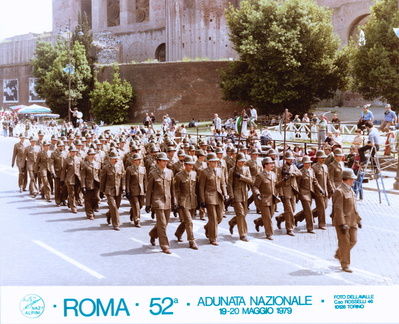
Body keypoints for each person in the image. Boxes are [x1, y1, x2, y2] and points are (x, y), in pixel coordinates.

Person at [332, 168, 362, 273]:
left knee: (353, 241)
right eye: (352, 179)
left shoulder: (350, 190)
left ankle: (339, 254)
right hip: (343, 223)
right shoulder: (339, 191)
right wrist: (342, 223)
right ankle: (345, 265)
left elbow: (354, 207)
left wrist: (358, 220)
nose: (354, 180)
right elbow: (338, 209)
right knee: (344, 243)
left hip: (352, 221)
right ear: (347, 179)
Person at [146, 152, 176, 254]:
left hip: (167, 200)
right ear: (158, 161)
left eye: (166, 161)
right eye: (163, 161)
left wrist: (174, 202)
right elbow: (149, 190)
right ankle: (164, 245)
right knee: (162, 223)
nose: (165, 162)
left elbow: (173, 189)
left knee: (165, 222)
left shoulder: (170, 172)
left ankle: (153, 234)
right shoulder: (153, 173)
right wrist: (148, 204)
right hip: (157, 201)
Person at [199, 152, 228, 246]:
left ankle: (208, 227)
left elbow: (223, 183)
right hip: (209, 196)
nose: (215, 163)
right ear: (208, 162)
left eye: (216, 161)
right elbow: (201, 187)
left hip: (219, 196)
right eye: (213, 161)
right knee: (213, 218)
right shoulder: (204, 172)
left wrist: (225, 194)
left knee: (219, 217)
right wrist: (202, 200)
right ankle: (213, 238)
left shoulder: (220, 170)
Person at [174, 155, 199, 249]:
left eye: (192, 165)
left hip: (193, 200)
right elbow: (176, 190)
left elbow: (196, 188)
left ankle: (178, 233)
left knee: (187, 221)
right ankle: (192, 241)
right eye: (189, 165)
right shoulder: (179, 176)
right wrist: (176, 202)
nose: (191, 167)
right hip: (183, 201)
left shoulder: (194, 174)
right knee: (189, 221)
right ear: (184, 165)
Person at [227, 153, 253, 241]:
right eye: (240, 162)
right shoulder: (232, 170)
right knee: (241, 214)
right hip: (236, 194)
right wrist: (231, 196)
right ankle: (243, 234)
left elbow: (250, 181)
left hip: (244, 194)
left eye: (243, 162)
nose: (242, 163)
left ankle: (232, 222)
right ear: (237, 161)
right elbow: (229, 184)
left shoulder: (246, 169)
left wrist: (240, 176)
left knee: (243, 214)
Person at [275, 151, 302, 236]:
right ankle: (289, 228)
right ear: (285, 159)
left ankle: (280, 218)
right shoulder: (281, 168)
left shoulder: (294, 166)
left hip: (293, 190)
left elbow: (299, 173)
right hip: (285, 191)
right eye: (289, 159)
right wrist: (281, 194)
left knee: (292, 210)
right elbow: (278, 183)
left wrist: (290, 173)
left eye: (292, 159)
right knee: (289, 211)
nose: (291, 161)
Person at [294, 156, 323, 233]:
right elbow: (297, 185)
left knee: (306, 210)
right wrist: (297, 195)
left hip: (310, 193)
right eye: (307, 163)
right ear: (303, 163)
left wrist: (320, 189)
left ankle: (296, 218)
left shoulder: (311, 171)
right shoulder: (300, 172)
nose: (309, 164)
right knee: (308, 211)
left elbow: (315, 181)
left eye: (310, 163)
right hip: (303, 194)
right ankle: (310, 228)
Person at [252, 157, 279, 240]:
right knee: (267, 217)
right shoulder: (260, 175)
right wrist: (257, 194)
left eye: (272, 163)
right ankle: (269, 233)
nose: (272, 165)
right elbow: (255, 186)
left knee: (270, 215)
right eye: (270, 164)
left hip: (272, 198)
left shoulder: (273, 174)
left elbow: (276, 186)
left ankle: (259, 222)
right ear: (265, 165)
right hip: (263, 198)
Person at [100, 151, 126, 230]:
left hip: (118, 190)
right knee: (114, 207)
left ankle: (109, 214)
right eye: (114, 159)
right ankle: (116, 224)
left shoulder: (120, 167)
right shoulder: (106, 168)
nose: (116, 160)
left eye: (117, 159)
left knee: (116, 207)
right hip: (109, 190)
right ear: (110, 159)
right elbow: (103, 180)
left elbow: (123, 178)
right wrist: (101, 191)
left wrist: (124, 188)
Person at [312, 150, 333, 230]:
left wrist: (330, 188)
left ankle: (307, 215)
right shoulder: (314, 167)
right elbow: (314, 180)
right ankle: (321, 224)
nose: (324, 159)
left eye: (324, 158)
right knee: (321, 208)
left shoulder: (325, 167)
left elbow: (328, 179)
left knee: (325, 206)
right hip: (318, 191)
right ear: (318, 158)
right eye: (322, 158)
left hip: (325, 191)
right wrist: (319, 189)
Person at [125, 153, 147, 227]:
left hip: (141, 190)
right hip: (133, 190)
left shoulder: (143, 168)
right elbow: (127, 181)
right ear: (134, 161)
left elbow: (145, 180)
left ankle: (132, 212)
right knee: (136, 206)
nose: (139, 161)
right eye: (137, 160)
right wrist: (127, 191)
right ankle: (137, 220)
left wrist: (146, 189)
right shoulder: (129, 169)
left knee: (141, 205)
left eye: (140, 159)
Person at [61, 146, 82, 213]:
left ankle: (70, 203)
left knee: (77, 193)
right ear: (70, 152)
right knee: (71, 193)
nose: (74, 153)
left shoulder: (79, 159)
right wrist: (62, 179)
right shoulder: (66, 160)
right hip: (70, 179)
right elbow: (63, 170)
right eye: (72, 151)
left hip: (78, 178)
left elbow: (81, 170)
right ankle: (73, 207)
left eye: (75, 151)